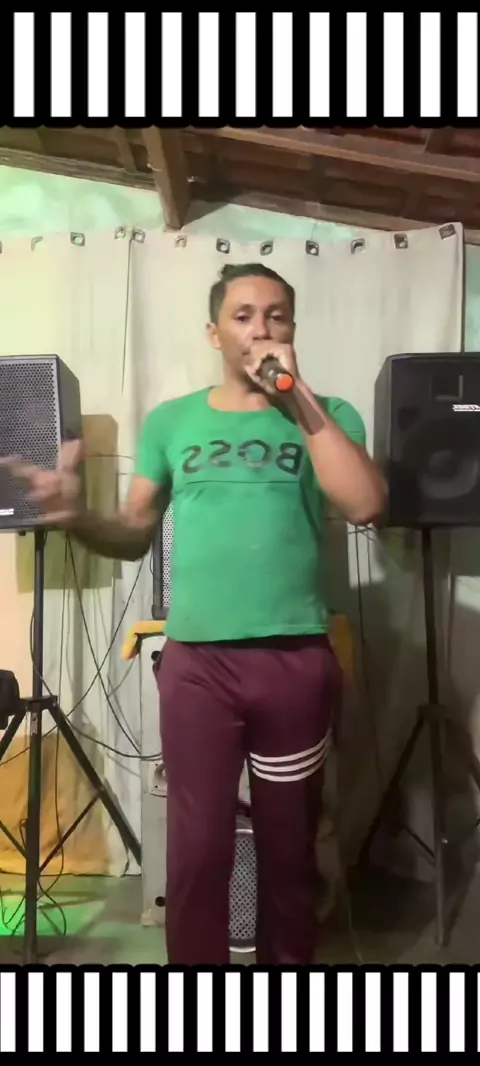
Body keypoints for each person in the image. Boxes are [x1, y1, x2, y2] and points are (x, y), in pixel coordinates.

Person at [4, 262, 387, 966]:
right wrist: (78, 516)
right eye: (243, 315)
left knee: (289, 852)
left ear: (293, 328)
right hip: (199, 665)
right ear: (215, 333)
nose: (261, 328)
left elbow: (365, 503)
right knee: (198, 852)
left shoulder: (327, 413)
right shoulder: (172, 422)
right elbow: (133, 533)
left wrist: (296, 395)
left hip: (295, 662)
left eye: (276, 314)